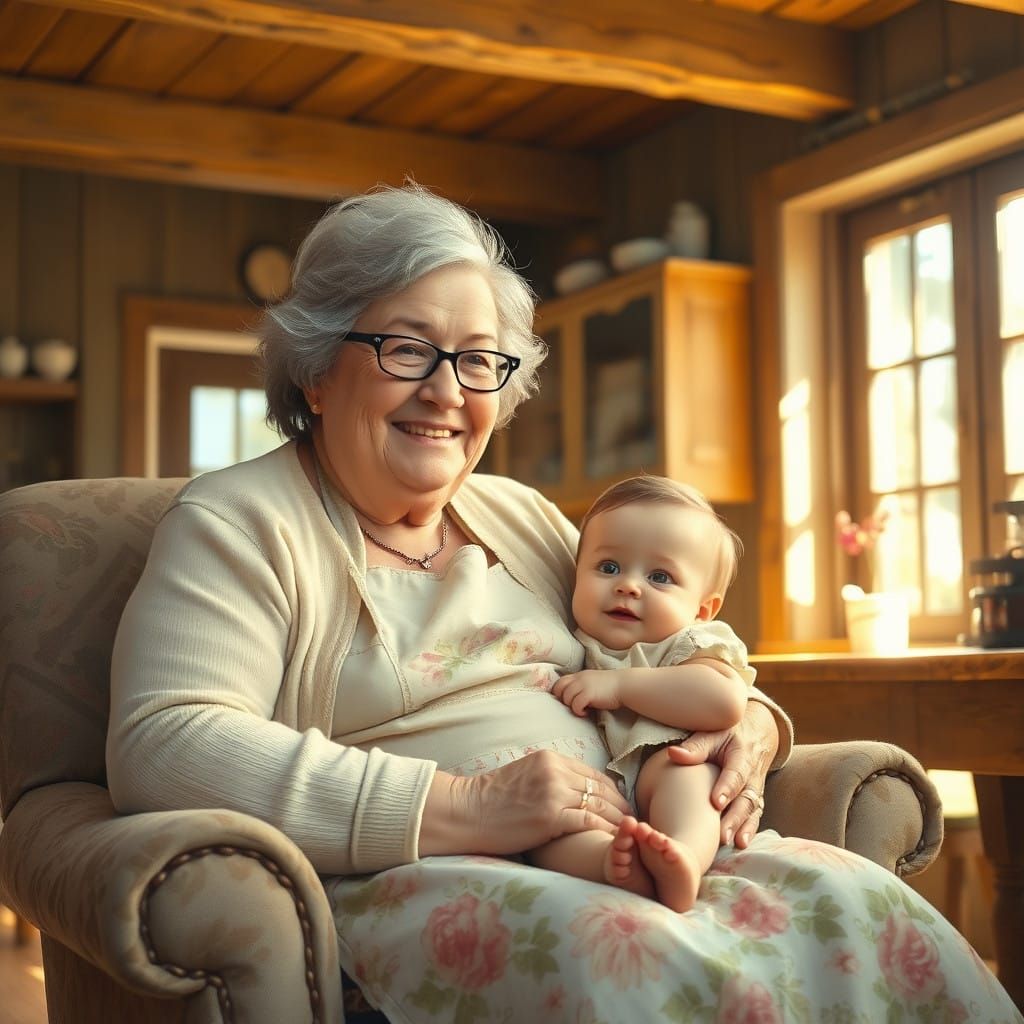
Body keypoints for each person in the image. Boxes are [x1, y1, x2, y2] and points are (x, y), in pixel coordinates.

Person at [107, 183, 1021, 1023]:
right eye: (406, 348)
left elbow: (669, 649)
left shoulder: (525, 517)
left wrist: (750, 730)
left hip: (640, 841)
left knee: (855, 907)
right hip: (440, 871)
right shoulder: (238, 521)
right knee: (639, 967)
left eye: (477, 361)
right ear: (315, 367)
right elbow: (163, 741)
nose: (446, 391)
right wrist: (469, 802)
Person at [531, 476, 755, 913]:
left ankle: (683, 859)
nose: (628, 586)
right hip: (590, 788)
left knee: (689, 780)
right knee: (549, 829)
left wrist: (620, 685)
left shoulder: (687, 643)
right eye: (609, 567)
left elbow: (725, 700)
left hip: (662, 763)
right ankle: (613, 862)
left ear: (702, 608)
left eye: (659, 576)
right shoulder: (566, 638)